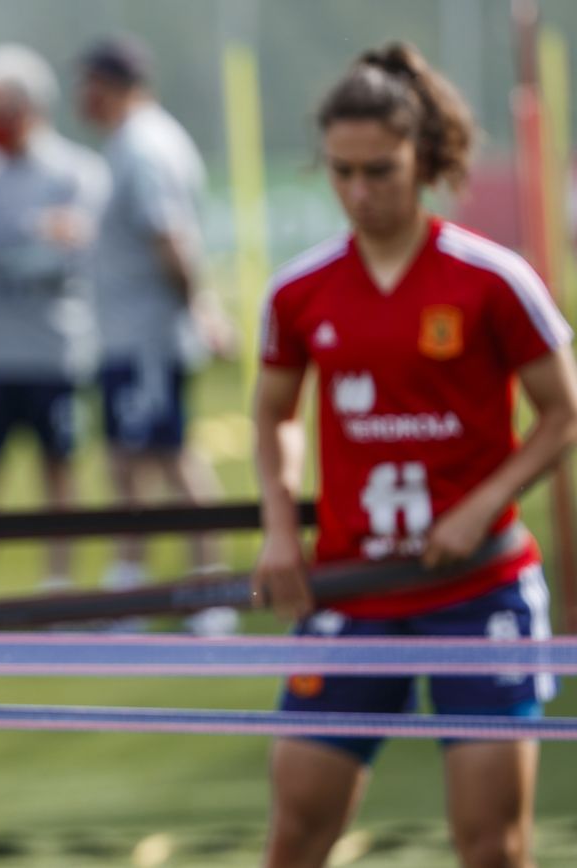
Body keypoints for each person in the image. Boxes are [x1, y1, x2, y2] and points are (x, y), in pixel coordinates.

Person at [253, 43, 577, 868]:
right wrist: (282, 530)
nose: (360, 193)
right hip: (354, 592)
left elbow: (563, 414)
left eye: (381, 172)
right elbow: (275, 417)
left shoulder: (494, 279)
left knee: (492, 849)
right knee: (294, 838)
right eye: (342, 172)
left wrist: (480, 505)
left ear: (423, 160)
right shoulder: (299, 290)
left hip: (480, 595)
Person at [76, 35, 235, 633]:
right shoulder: (140, 140)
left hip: (146, 335)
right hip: (132, 332)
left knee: (166, 457)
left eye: (86, 83)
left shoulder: (143, 146)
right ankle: (137, 584)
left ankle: (209, 590)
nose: (79, 97)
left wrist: (201, 311)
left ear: (108, 83)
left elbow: (171, 241)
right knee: (132, 459)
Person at [0, 43, 107, 601]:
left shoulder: (76, 171)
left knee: (59, 470)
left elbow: (73, 254)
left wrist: (10, 244)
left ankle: (58, 579)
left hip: (53, 349)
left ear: (31, 107)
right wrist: (32, 233)